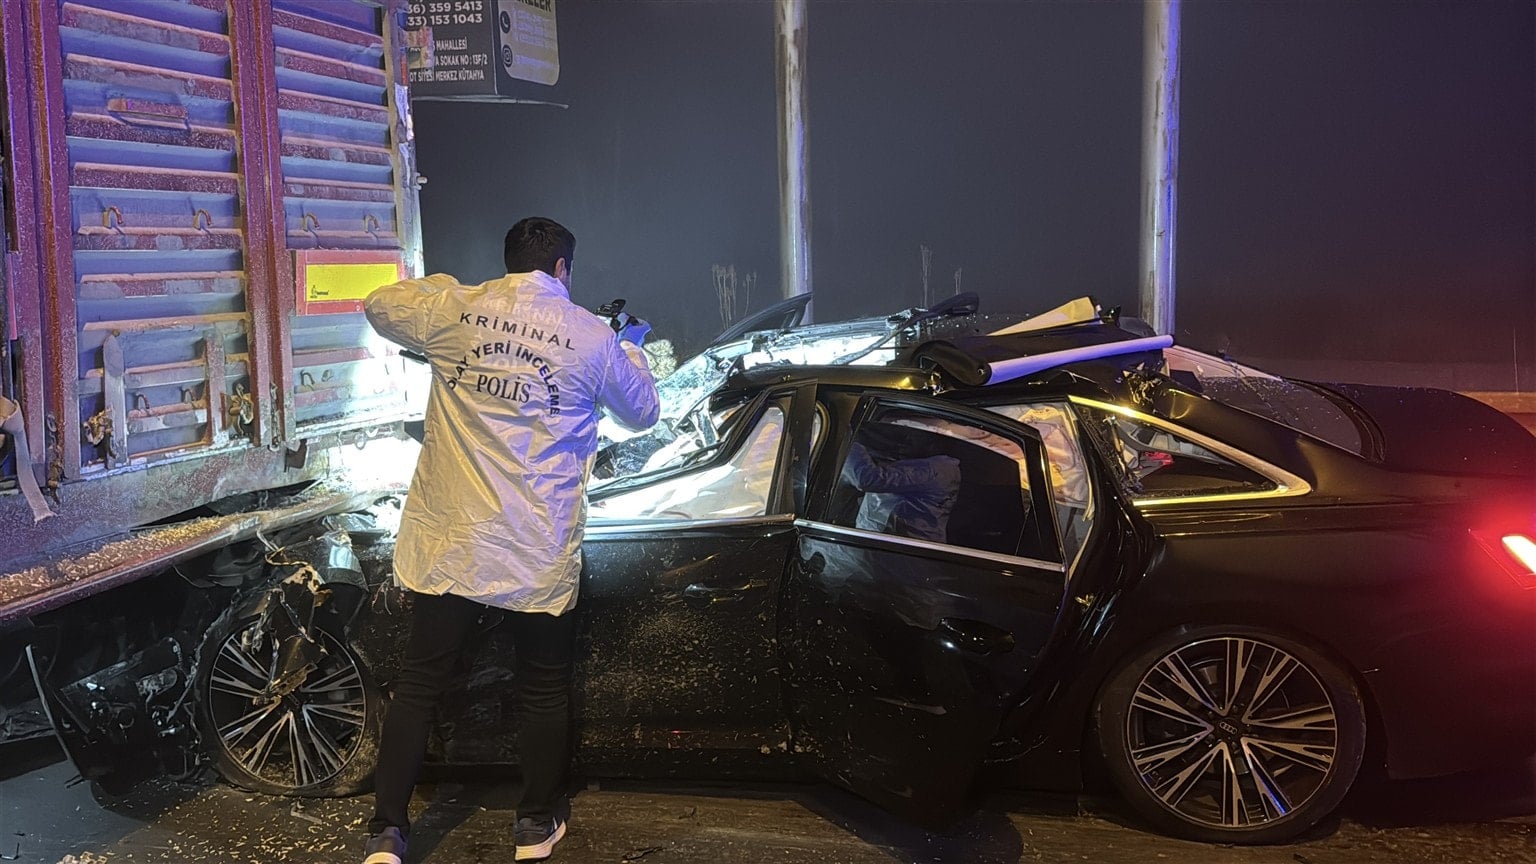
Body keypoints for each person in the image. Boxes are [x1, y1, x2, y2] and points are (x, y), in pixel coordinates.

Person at [358, 217, 659, 864]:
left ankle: (387, 833)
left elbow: (379, 304)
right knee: (541, 687)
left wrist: (454, 290)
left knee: (419, 685)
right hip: (534, 545)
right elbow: (643, 412)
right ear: (563, 269)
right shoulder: (592, 335)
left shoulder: (454, 309)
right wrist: (630, 347)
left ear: (508, 261)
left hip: (453, 540)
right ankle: (533, 826)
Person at [840, 421, 961, 543]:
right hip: (885, 543)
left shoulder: (933, 469)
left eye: (915, 433)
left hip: (897, 548)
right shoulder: (934, 464)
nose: (907, 439)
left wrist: (845, 436)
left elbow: (868, 478)